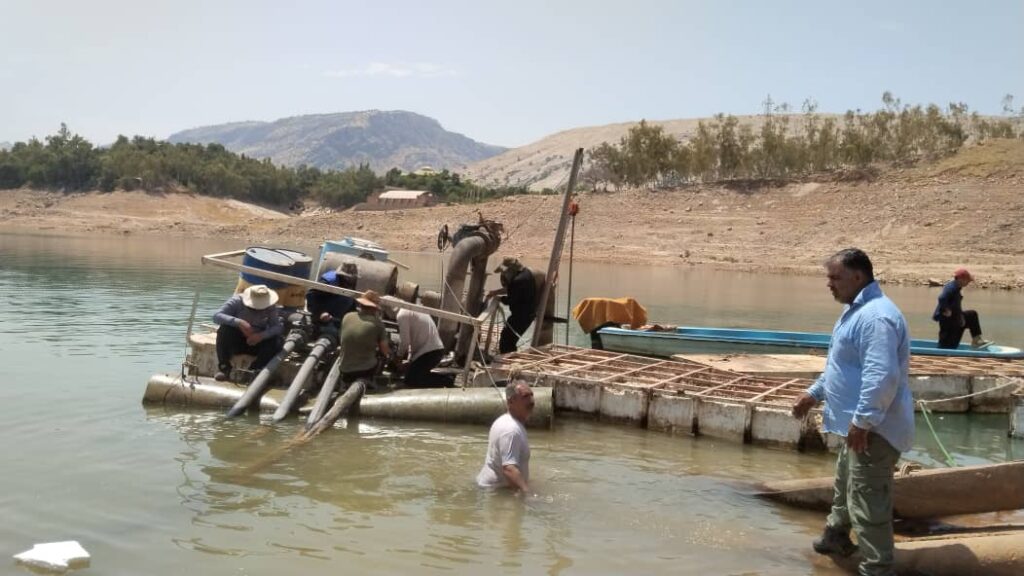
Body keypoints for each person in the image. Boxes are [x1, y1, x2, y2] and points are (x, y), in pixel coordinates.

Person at [791, 248, 914, 576]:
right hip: (858, 427)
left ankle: (877, 567)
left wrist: (864, 421)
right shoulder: (854, 312)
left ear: (858, 277)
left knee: (867, 501)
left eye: (835, 277)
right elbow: (840, 367)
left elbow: (881, 375)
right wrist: (813, 394)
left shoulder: (875, 317)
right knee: (846, 482)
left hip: (874, 429)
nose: (828, 284)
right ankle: (834, 536)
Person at [212, 284, 284, 381]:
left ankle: (255, 369)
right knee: (224, 330)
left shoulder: (270, 307)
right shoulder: (237, 301)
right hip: (238, 340)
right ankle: (225, 368)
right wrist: (238, 322)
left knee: (277, 341)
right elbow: (216, 316)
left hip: (258, 343)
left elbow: (277, 327)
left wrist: (261, 336)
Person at [477, 380, 535, 493]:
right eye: (525, 396)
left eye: (531, 394)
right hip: (497, 491)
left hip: (493, 488)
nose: (531, 400)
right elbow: (509, 469)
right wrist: (528, 494)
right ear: (510, 401)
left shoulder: (507, 421)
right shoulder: (511, 430)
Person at [339, 289, 390, 386]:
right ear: (374, 308)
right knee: (383, 356)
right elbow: (385, 351)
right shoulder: (378, 324)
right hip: (364, 371)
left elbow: (341, 338)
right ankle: (371, 381)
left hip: (344, 369)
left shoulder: (347, 316)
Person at [486, 258, 537, 354]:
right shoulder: (525, 274)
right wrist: (495, 292)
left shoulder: (518, 281)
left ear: (511, 270)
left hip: (521, 317)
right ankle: (510, 357)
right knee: (510, 339)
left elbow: (510, 300)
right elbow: (511, 289)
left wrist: (499, 299)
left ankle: (508, 362)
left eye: (504, 272)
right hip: (527, 314)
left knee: (506, 341)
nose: (504, 275)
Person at [933, 268, 991, 349]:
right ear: (960, 279)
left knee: (972, 315)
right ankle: (940, 352)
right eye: (967, 280)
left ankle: (976, 340)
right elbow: (941, 298)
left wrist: (961, 316)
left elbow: (956, 306)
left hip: (955, 319)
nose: (968, 282)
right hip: (948, 322)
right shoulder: (951, 287)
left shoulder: (956, 287)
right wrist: (946, 309)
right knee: (948, 346)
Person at [396, 306, 452, 388]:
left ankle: (447, 380)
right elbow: (413, 340)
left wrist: (398, 357)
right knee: (414, 374)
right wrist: (410, 360)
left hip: (429, 352)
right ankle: (444, 378)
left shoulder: (402, 314)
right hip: (434, 350)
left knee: (412, 380)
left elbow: (405, 341)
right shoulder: (412, 310)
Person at [306, 268, 357, 339]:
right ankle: (320, 327)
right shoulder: (329, 280)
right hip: (321, 309)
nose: (349, 279)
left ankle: (336, 325)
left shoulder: (351, 282)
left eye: (351, 278)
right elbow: (311, 295)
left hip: (335, 313)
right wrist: (320, 312)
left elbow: (352, 300)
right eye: (347, 277)